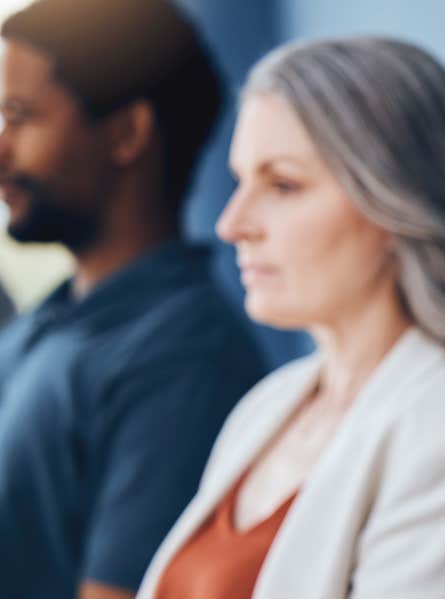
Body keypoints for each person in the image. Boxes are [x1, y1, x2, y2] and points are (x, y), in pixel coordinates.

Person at [136, 37, 445, 599]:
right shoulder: (266, 409)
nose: (233, 224)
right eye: (239, 182)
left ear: (394, 204)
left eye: (282, 184)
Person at [0, 0, 266, 597]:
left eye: (21, 118)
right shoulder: (50, 318)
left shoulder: (185, 356)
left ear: (127, 134)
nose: (0, 150)